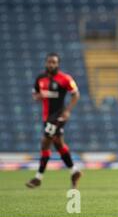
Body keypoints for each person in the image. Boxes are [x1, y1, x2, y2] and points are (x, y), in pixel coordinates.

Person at [26, 53, 82, 188]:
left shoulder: (64, 78)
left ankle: (38, 177)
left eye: (54, 62)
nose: (51, 64)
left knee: (45, 143)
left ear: (58, 64)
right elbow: (35, 94)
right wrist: (38, 96)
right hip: (46, 117)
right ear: (46, 63)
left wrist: (67, 111)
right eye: (49, 62)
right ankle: (74, 171)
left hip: (58, 116)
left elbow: (76, 94)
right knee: (58, 144)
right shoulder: (40, 78)